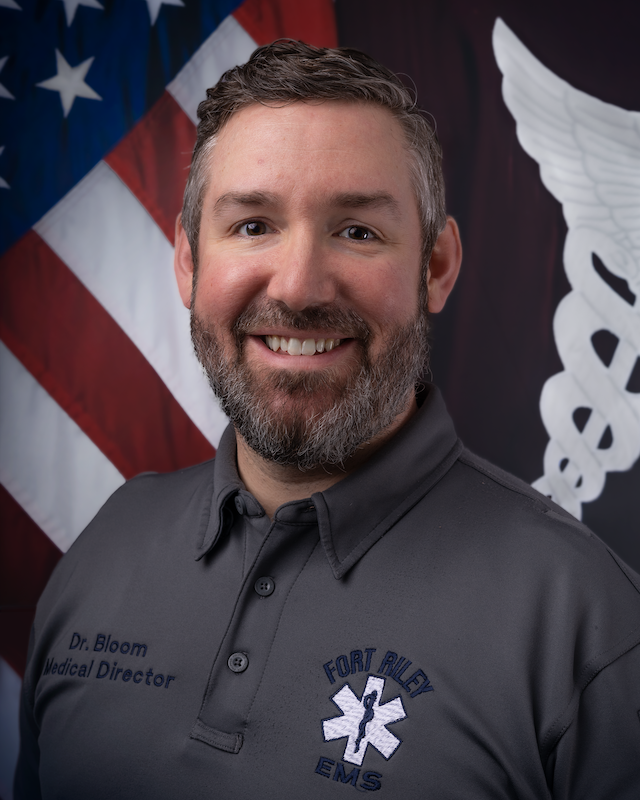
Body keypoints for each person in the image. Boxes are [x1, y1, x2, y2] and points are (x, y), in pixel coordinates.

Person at [15, 41, 640, 799]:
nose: (301, 287)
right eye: (252, 225)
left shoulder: (587, 624)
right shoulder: (105, 549)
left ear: (436, 268)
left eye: (357, 230)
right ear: (188, 263)